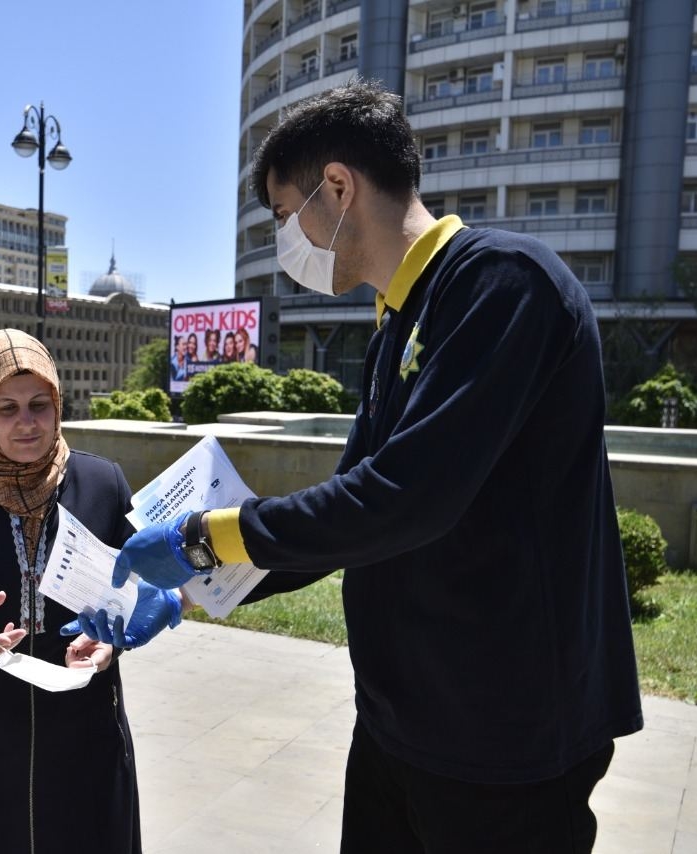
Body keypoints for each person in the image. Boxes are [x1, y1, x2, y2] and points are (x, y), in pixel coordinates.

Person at [95, 79, 643, 853]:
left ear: (339, 187)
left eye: (285, 216)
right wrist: (195, 588)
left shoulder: (502, 286)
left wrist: (201, 537)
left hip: (504, 740)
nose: (287, 241)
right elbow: (349, 510)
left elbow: (404, 500)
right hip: (402, 722)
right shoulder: (397, 325)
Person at [0, 328, 178, 854]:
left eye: (39, 404)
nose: (27, 423)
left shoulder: (102, 482)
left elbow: (137, 585)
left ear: (58, 403)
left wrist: (114, 639)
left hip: (85, 723)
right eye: (6, 408)